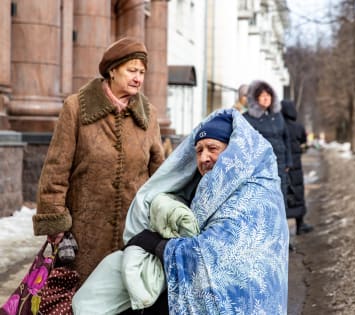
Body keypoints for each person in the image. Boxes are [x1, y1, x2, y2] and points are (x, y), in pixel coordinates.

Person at [72, 109, 289, 315]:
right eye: (199, 150)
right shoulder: (208, 190)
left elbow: (215, 257)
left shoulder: (253, 197)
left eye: (213, 148)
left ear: (233, 151)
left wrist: (154, 244)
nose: (204, 158)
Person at [32, 37, 165, 285]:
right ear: (112, 71)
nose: (138, 78)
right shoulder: (76, 108)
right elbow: (55, 171)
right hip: (83, 236)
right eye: (132, 70)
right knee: (80, 302)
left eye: (142, 72)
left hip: (132, 235)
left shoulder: (149, 115)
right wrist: (58, 229)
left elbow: (159, 174)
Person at [243, 80, 293, 210]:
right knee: (262, 203)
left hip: (280, 165)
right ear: (255, 98)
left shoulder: (277, 116)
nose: (266, 98)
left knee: (280, 201)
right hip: (260, 167)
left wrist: (288, 162)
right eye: (262, 95)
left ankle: (280, 229)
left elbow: (286, 138)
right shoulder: (247, 118)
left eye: (268, 95)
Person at [281, 100, 314, 235]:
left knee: (283, 195)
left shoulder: (279, 126)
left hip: (282, 165)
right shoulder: (298, 127)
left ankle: (283, 231)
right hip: (296, 165)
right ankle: (300, 225)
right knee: (298, 193)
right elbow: (304, 142)